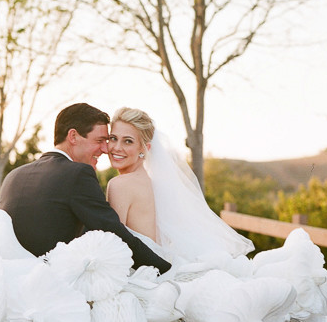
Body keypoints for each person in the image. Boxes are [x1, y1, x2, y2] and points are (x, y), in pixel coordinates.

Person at [0, 102, 171, 273]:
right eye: (103, 140)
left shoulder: (13, 176)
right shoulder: (78, 174)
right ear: (73, 137)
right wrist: (165, 270)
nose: (106, 149)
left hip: (10, 279)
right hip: (53, 282)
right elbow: (112, 234)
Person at [106, 106, 254, 263]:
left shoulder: (120, 184)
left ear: (144, 149)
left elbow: (113, 244)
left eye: (128, 141)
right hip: (156, 264)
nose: (117, 147)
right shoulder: (151, 182)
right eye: (113, 138)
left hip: (140, 268)